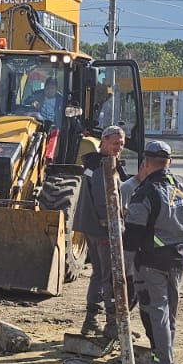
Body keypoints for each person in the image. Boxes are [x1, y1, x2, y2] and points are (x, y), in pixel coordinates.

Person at [122, 140, 183, 364]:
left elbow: (132, 236)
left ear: (145, 163)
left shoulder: (144, 193)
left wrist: (125, 267)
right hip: (179, 258)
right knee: (169, 313)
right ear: (170, 162)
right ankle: (165, 357)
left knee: (156, 313)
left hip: (152, 262)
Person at [74, 125, 128, 338]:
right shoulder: (101, 168)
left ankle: (91, 321)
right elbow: (102, 202)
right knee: (110, 276)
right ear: (103, 142)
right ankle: (112, 324)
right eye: (115, 143)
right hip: (102, 230)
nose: (119, 148)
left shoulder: (94, 163)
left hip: (91, 228)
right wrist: (114, 225)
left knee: (99, 274)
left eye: (122, 144)